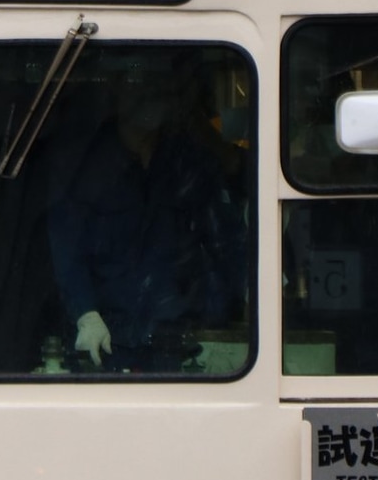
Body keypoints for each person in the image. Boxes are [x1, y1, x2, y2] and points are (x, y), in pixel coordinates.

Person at [46, 61, 245, 372]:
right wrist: (86, 315)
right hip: (106, 347)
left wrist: (242, 308)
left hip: (183, 348)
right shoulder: (86, 168)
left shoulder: (188, 165)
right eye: (135, 81)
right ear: (115, 90)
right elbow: (65, 250)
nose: (148, 92)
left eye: (158, 83)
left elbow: (226, 243)